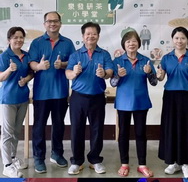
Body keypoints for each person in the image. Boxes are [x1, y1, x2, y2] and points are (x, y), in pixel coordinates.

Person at [27, 11, 75, 173]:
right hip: (41, 93)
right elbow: (31, 63)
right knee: (39, 127)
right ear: (44, 24)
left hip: (60, 92)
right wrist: (39, 66)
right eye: (49, 21)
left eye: (55, 21)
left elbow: (73, 64)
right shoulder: (37, 42)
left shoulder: (67, 43)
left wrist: (62, 65)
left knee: (59, 125)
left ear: (60, 23)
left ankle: (57, 153)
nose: (52, 24)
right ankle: (39, 158)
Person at [65, 22, 114, 175]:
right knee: (76, 130)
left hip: (97, 97)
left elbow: (110, 71)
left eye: (94, 34)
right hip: (78, 98)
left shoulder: (104, 54)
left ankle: (95, 160)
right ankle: (77, 161)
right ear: (83, 36)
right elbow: (67, 74)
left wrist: (104, 74)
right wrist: (74, 73)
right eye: (88, 34)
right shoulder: (75, 55)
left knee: (97, 129)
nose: (90, 36)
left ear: (98, 36)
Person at [111, 30, 158, 177]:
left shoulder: (146, 61)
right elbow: (112, 83)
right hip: (123, 103)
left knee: (140, 134)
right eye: (128, 41)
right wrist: (118, 76)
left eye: (134, 41)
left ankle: (142, 164)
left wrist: (150, 72)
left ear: (139, 43)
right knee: (123, 134)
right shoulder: (117, 61)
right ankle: (124, 163)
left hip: (141, 102)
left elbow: (154, 82)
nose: (131, 44)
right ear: (124, 45)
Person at [157, 26, 188, 179]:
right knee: (171, 128)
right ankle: (173, 162)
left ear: (187, 40)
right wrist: (160, 75)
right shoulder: (166, 58)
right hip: (170, 97)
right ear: (172, 40)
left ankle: (186, 164)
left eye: (182, 38)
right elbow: (161, 78)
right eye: (176, 38)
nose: (179, 41)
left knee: (187, 129)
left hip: (187, 97)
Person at [0, 27, 33, 177]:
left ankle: (13, 158)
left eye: (21, 37)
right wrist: (8, 70)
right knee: (7, 133)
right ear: (9, 40)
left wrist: (26, 79)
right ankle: (7, 165)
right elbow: (1, 77)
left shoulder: (26, 56)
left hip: (23, 98)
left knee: (16, 131)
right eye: (15, 37)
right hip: (8, 99)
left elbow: (31, 72)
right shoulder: (4, 56)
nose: (18, 40)